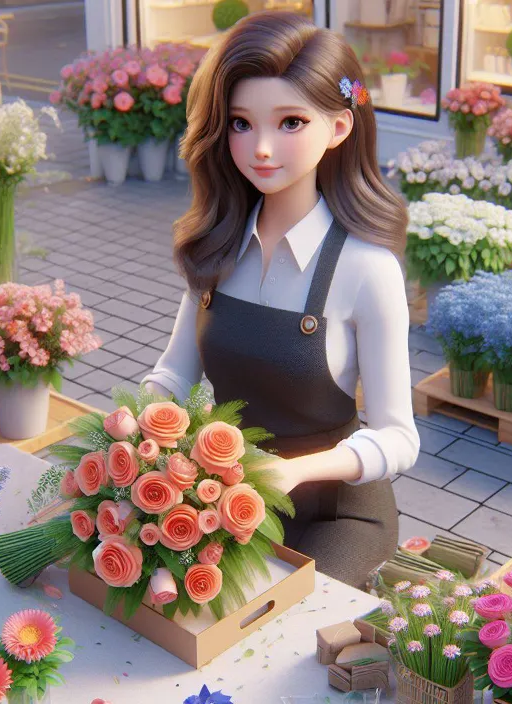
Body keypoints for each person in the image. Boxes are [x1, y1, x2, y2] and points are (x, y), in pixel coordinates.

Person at [142, 11, 419, 588]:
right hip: (230, 495)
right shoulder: (214, 247)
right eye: (241, 124)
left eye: (290, 122)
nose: (261, 148)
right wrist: (137, 423)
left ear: (339, 127)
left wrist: (290, 473)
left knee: (283, 630)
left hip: (335, 511)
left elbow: (399, 437)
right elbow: (172, 375)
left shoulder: (367, 268)